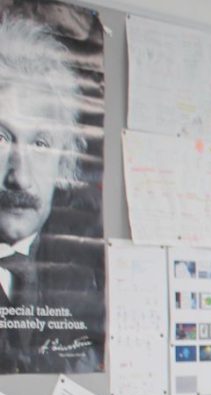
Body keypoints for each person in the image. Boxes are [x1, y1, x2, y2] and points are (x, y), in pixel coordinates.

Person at [0, 12, 101, 374]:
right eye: (1, 138)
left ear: (65, 162)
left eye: (41, 143)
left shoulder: (89, 284)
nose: (20, 178)